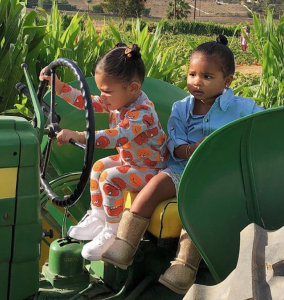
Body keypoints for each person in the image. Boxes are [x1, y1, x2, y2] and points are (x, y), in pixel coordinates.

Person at [101, 35, 264, 294]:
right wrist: (191, 149)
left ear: (227, 81)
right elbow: (174, 144)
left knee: (200, 207)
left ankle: (185, 265)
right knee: (154, 186)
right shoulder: (181, 108)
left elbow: (264, 123)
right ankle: (125, 243)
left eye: (207, 77)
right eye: (192, 74)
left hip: (218, 177)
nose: (196, 82)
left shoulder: (241, 108)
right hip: (182, 168)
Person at [39, 44, 168, 261]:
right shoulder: (119, 101)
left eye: (106, 91)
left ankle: (113, 230)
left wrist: (79, 136)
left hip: (152, 168)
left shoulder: (143, 113)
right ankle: (98, 217)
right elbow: (87, 102)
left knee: (110, 178)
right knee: (98, 167)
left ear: (133, 88)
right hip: (132, 161)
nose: (102, 96)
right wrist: (59, 87)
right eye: (101, 90)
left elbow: (117, 136)